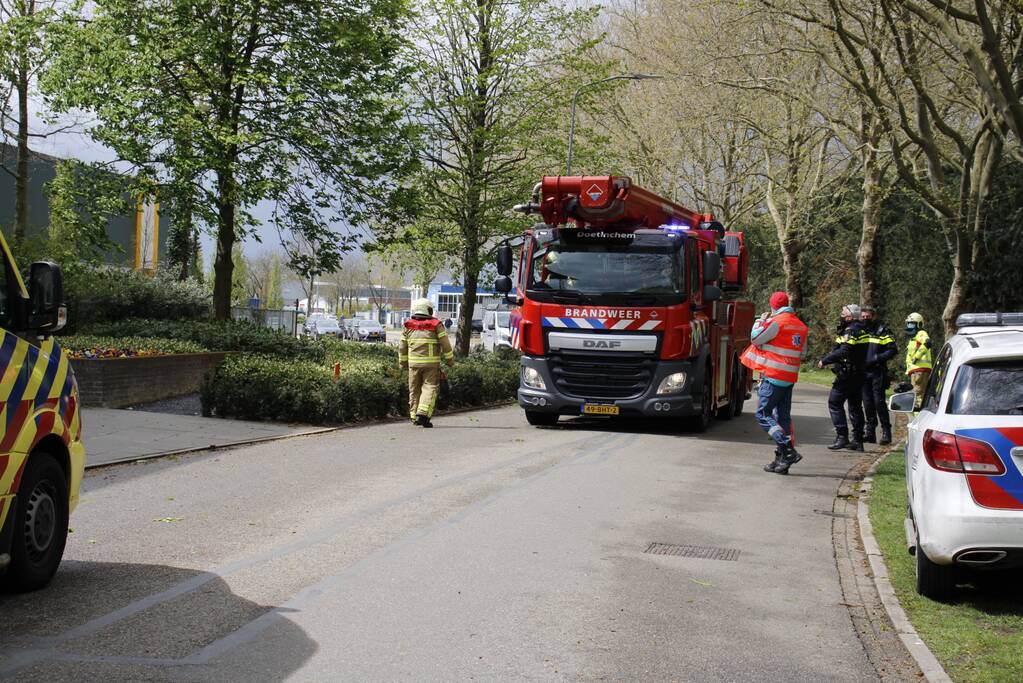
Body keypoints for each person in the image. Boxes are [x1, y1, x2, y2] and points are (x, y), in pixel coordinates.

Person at [740, 291, 809, 475]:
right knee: (783, 417)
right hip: (789, 377)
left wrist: (760, 321)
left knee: (763, 414)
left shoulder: (776, 322)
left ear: (772, 306)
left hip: (773, 376)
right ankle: (782, 460)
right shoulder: (801, 325)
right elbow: (802, 353)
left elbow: (755, 338)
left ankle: (788, 450)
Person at [817, 304, 869, 451]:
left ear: (850, 316)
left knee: (834, 402)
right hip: (858, 373)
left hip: (848, 374)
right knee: (855, 406)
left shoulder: (850, 330)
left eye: (843, 313)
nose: (841, 315)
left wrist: (825, 361)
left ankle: (842, 437)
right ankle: (858, 440)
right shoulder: (862, 329)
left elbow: (844, 351)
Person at [399, 298, 454, 428]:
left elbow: (402, 347)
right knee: (429, 388)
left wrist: (403, 363)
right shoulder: (436, 324)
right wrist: (450, 360)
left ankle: (414, 416)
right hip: (431, 365)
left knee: (414, 389)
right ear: (428, 310)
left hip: (413, 364)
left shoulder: (407, 325)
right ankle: (423, 415)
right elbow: (446, 344)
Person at [860, 306, 897, 445]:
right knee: (867, 403)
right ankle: (870, 432)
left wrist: (877, 358)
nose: (865, 319)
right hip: (863, 372)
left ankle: (886, 431)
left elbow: (892, 350)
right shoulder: (859, 331)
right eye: (863, 317)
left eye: (868, 317)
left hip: (877, 371)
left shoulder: (882, 330)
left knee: (879, 402)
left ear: (873, 316)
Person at [904, 312, 932, 409]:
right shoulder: (914, 338)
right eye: (908, 323)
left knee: (917, 397)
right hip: (916, 371)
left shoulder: (921, 333)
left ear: (919, 324)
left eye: (912, 323)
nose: (909, 325)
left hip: (920, 370)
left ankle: (918, 416)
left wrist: (916, 357)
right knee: (916, 396)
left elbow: (928, 343)